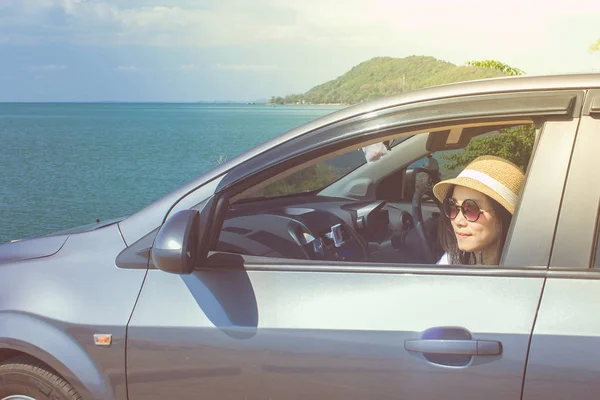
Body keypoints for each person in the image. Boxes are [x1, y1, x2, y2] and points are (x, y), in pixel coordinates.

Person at [432, 155, 525, 265]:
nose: (458, 221)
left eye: (471, 209)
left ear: (505, 216)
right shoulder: (451, 260)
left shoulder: (528, 272)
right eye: (452, 207)